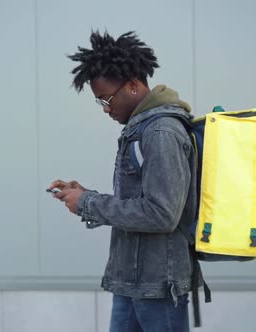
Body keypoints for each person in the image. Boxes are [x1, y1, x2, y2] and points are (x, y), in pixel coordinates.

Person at [48, 30, 199, 332]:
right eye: (99, 101)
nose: (105, 108)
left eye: (106, 98)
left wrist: (89, 204)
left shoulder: (161, 133)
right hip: (131, 283)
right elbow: (139, 203)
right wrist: (84, 196)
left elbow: (162, 213)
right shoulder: (141, 130)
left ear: (133, 85)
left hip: (158, 288)